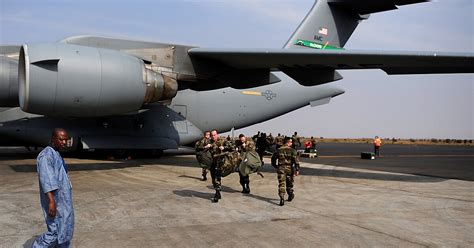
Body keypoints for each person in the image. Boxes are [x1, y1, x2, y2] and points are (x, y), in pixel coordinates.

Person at [33, 128, 74, 248]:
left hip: (63, 201)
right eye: (61, 139)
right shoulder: (46, 156)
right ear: (53, 139)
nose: (64, 142)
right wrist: (51, 201)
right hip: (55, 201)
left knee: (65, 231)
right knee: (55, 232)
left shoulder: (56, 153)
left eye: (66, 140)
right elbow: (46, 181)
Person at [271, 137, 300, 206]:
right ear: (287, 142)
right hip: (290, 169)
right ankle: (290, 194)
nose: (291, 143)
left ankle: (282, 198)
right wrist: (297, 169)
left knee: (282, 183)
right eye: (290, 142)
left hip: (281, 168)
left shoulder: (278, 150)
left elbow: (273, 159)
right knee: (289, 183)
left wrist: (276, 166)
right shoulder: (293, 151)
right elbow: (296, 162)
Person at [209, 130, 235, 203]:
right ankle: (217, 192)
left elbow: (232, 147)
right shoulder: (209, 142)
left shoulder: (223, 140)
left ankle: (217, 193)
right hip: (213, 162)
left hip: (221, 163)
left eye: (214, 135)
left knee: (217, 178)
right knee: (213, 178)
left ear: (217, 135)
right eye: (212, 135)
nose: (213, 136)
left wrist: (224, 147)